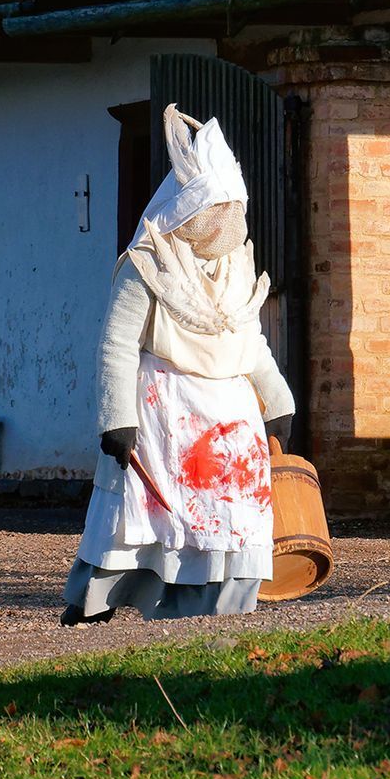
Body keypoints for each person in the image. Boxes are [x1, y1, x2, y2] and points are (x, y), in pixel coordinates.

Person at [62, 105, 293, 623]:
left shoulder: (236, 262)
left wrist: (277, 398)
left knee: (231, 515)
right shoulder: (147, 262)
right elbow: (117, 342)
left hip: (229, 415)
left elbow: (248, 335)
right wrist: (116, 418)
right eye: (214, 212)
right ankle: (102, 598)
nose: (223, 225)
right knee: (148, 517)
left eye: (232, 211)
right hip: (167, 408)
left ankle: (220, 604)